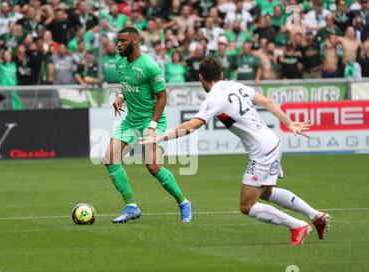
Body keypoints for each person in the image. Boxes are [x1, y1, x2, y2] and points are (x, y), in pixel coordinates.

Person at [140, 55, 331, 245]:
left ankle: (298, 226)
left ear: (200, 77)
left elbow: (193, 124)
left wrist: (159, 137)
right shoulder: (234, 85)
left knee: (246, 205)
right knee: (265, 192)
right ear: (221, 74)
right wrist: (289, 123)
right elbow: (268, 102)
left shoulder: (214, 97)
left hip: (262, 151)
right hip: (272, 142)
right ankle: (316, 216)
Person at [104, 27, 192, 224]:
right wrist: (120, 96)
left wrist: (152, 125)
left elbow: (162, 97)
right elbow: (127, 86)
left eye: (123, 41)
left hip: (152, 120)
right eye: (118, 40)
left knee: (152, 166)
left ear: (134, 41)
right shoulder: (120, 64)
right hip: (131, 120)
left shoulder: (150, 66)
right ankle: (131, 207)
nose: (118, 44)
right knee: (109, 158)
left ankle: (183, 202)